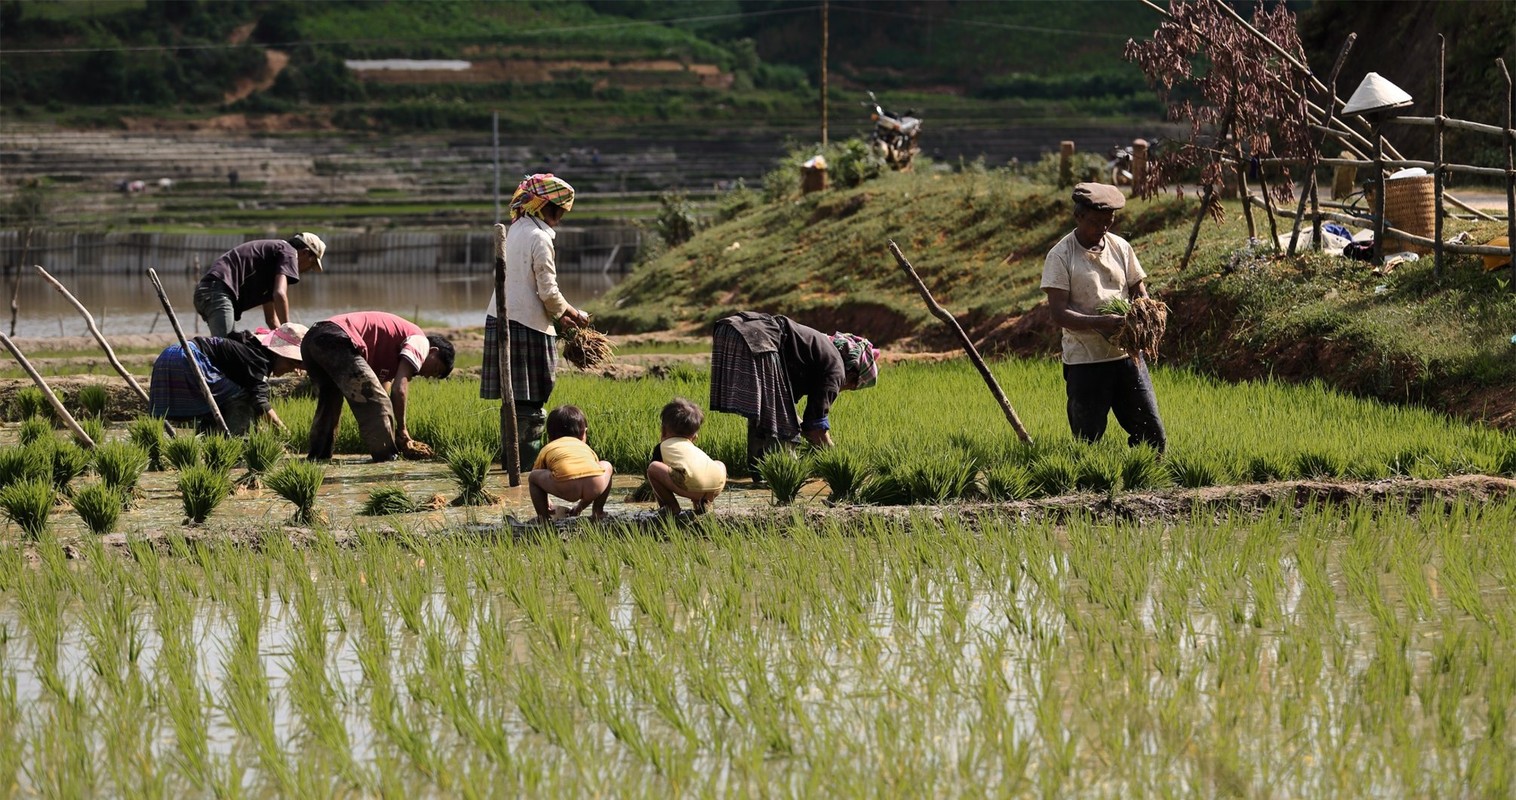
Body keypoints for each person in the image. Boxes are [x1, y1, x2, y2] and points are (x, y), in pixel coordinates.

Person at [1040, 182, 1166, 450]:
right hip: (1086, 361)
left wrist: (1144, 309)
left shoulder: (1120, 247)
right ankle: (1091, 488)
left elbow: (1137, 288)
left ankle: (1147, 484)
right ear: (1078, 216)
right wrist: (1101, 323)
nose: (1102, 229)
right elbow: (1059, 314)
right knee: (1088, 441)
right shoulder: (1061, 256)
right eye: (1095, 222)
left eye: (1108, 222)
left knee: (1153, 437)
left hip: (1127, 357)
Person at [481, 173, 592, 468]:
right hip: (527, 325)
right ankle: (527, 466)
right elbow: (548, 291)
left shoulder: (516, 229)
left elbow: (531, 289)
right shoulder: (539, 238)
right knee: (530, 401)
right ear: (546, 206)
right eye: (559, 210)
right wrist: (573, 313)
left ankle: (512, 462)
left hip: (502, 318)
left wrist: (559, 317)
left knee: (513, 401)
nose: (560, 217)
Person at [709, 311, 879, 469]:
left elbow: (784, 409)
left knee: (766, 416)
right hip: (758, 338)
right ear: (852, 375)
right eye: (850, 387)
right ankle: (780, 475)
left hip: (730, 331)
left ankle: (760, 474)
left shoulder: (817, 353)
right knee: (783, 428)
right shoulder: (836, 369)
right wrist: (836, 458)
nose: (844, 389)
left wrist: (799, 424)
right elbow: (815, 426)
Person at [300, 311, 455, 462]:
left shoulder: (391, 359)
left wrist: (391, 424)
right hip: (337, 339)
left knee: (330, 405)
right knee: (379, 406)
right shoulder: (421, 341)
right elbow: (398, 389)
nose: (427, 375)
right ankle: (388, 463)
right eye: (434, 369)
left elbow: (382, 392)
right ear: (433, 351)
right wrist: (402, 430)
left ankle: (318, 460)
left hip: (313, 340)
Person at [148, 323, 308, 435]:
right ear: (278, 353)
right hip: (189, 359)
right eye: (291, 361)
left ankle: (212, 441)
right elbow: (260, 402)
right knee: (245, 398)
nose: (293, 368)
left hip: (167, 356)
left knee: (223, 400)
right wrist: (283, 431)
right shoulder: (258, 361)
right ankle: (237, 444)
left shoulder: (248, 346)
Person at [194, 233, 325, 337]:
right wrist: (289, 331)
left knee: (227, 347)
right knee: (224, 348)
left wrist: (287, 347)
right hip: (217, 291)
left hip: (209, 292)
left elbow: (271, 320)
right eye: (311, 263)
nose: (308, 270)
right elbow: (280, 294)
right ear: (305, 252)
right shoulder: (289, 251)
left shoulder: (272, 264)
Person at [529, 405, 614, 522]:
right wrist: (579, 508)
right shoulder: (586, 448)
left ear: (549, 436)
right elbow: (588, 477)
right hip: (594, 485)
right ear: (583, 433)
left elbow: (537, 478)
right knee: (606, 465)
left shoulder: (548, 448)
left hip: (566, 485)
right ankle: (598, 512)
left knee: (533, 477)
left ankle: (543, 519)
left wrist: (545, 501)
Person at [646, 397, 727, 515]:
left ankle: (670, 507)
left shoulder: (662, 447)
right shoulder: (694, 450)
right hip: (715, 488)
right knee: (719, 464)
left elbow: (656, 478)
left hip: (692, 488)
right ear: (695, 437)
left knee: (653, 468)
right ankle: (703, 504)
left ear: (663, 431)